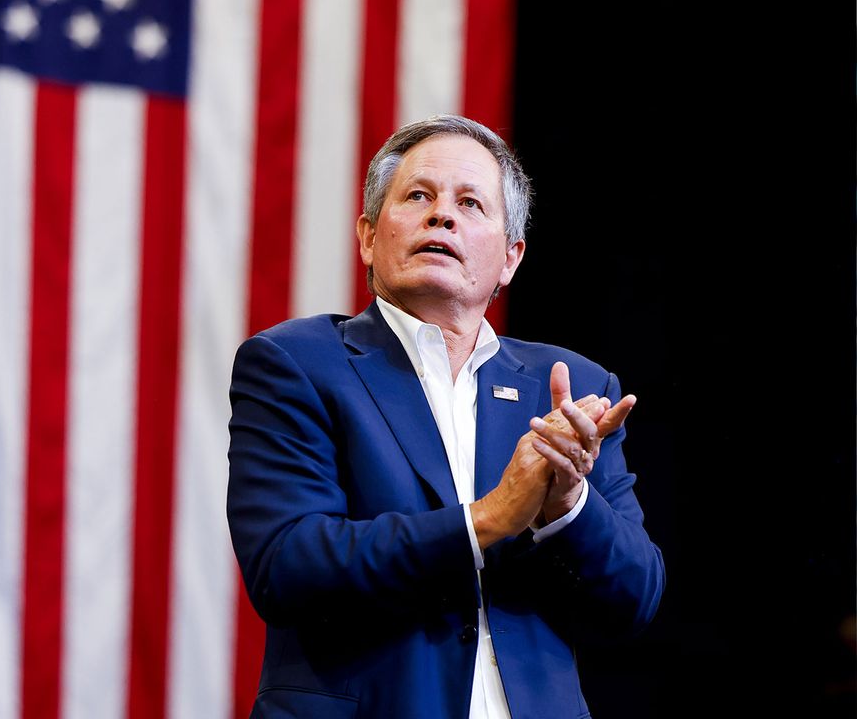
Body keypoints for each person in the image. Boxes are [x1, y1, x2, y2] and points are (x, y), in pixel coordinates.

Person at [226, 115, 665, 718]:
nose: (442, 216)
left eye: (470, 203)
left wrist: (568, 507)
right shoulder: (297, 363)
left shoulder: (569, 389)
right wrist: (485, 521)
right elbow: (288, 565)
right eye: (418, 197)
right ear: (367, 237)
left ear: (510, 258)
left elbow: (634, 601)